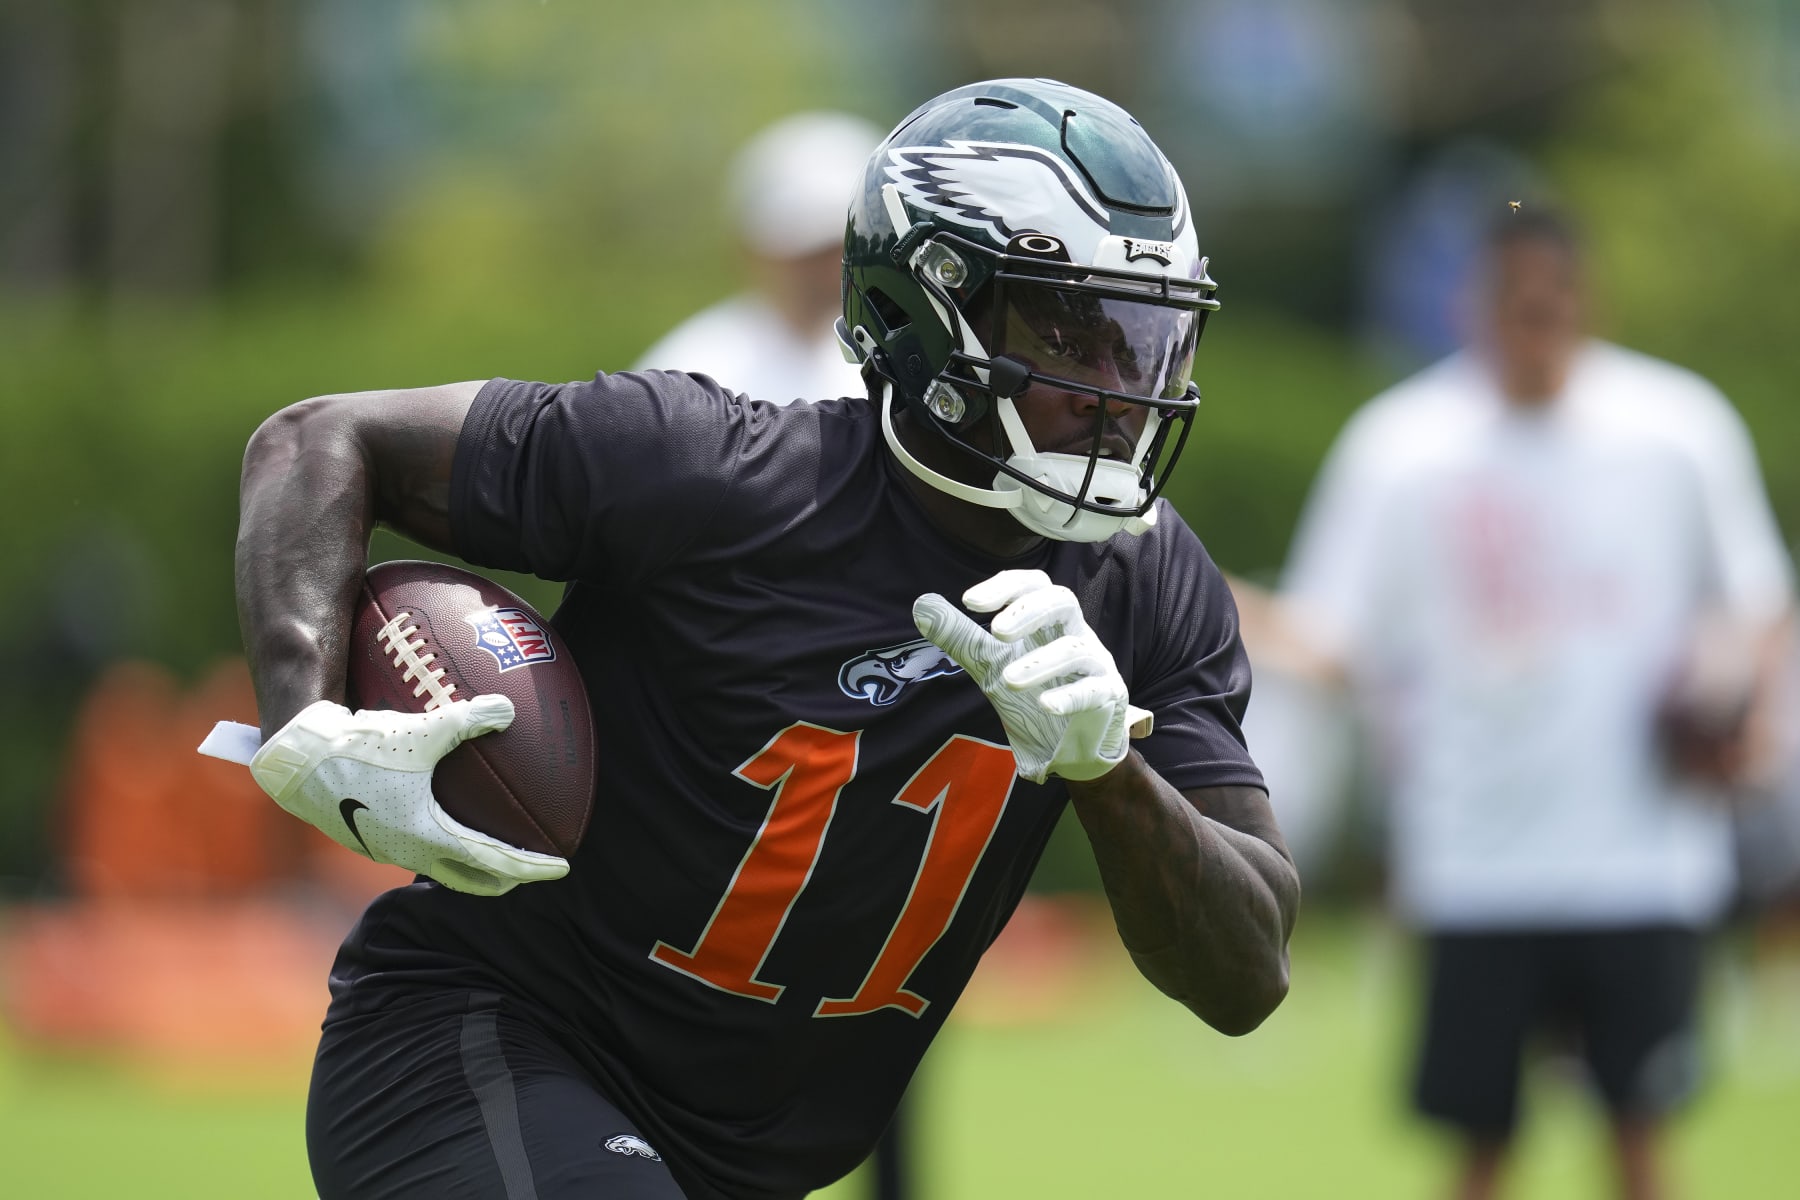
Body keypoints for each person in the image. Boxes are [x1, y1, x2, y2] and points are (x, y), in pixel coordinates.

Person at [232, 79, 1298, 1200]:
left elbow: (1248, 975)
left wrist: (1108, 770)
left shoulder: (1150, 581)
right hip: (489, 1041)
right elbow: (319, 442)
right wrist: (302, 717)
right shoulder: (715, 470)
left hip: (741, 1152)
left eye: (1144, 337)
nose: (1121, 392)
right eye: (1071, 333)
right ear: (929, 314)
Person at [1239, 207, 1792, 1200]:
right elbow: (1334, 637)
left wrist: (1733, 704)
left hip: (1644, 857)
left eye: (1554, 304)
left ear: (1588, 304)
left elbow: (1755, 606)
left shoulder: (1677, 431)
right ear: (1475, 307)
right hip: (1476, 857)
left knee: (1640, 1141)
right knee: (1478, 1149)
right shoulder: (1404, 448)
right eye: (1515, 306)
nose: (1535, 330)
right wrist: (1207, 607)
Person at [632, 111, 914, 1200]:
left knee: (882, 1021)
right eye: (799, 245)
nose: (815, 270)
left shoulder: (904, 375)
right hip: (732, 748)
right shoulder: (697, 365)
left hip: (881, 733)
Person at [631, 111, 880, 404]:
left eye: (839, 245)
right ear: (749, 250)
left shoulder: (898, 359)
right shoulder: (689, 376)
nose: (829, 266)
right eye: (808, 251)